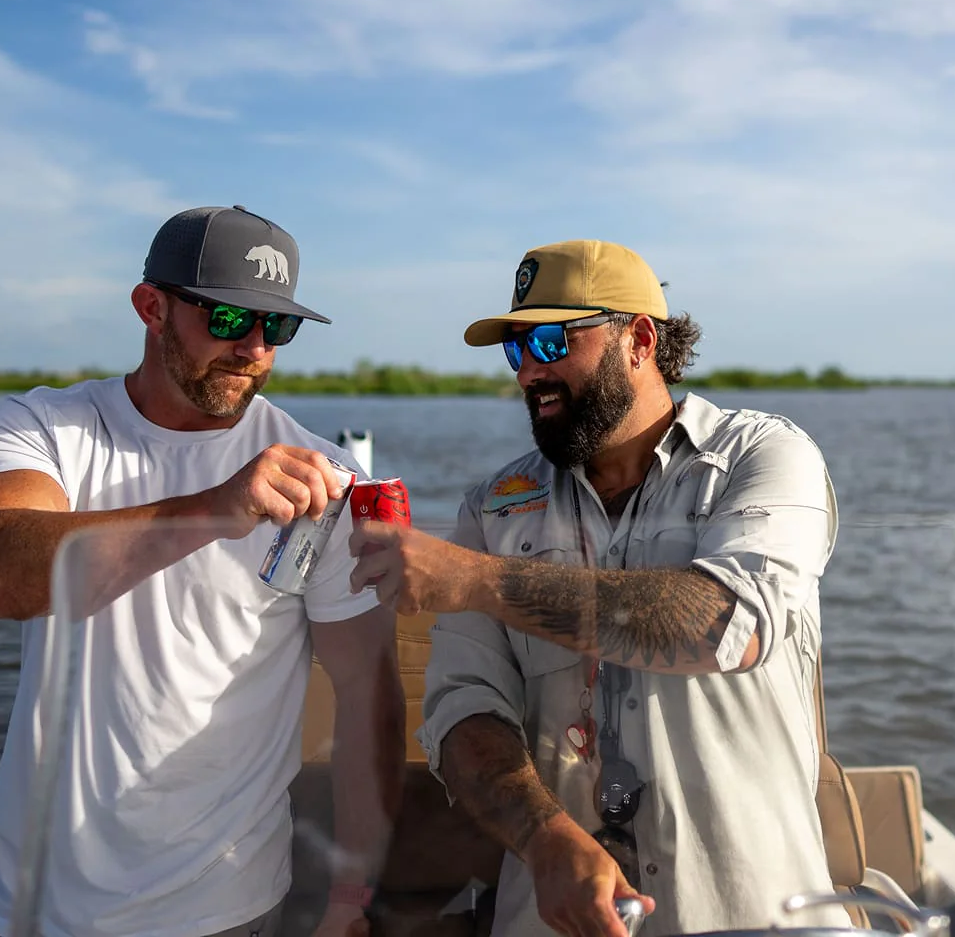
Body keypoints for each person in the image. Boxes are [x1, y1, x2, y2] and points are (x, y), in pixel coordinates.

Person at [350, 239, 844, 937]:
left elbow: (727, 623)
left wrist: (478, 580)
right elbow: (462, 712)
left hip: (756, 916)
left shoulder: (762, 457)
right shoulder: (493, 507)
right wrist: (544, 836)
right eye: (515, 350)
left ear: (639, 339)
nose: (528, 372)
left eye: (551, 341)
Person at [0, 205, 404, 937]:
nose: (254, 347)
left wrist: (351, 894)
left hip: (225, 909)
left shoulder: (327, 479)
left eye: (276, 328)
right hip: (15, 905)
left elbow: (365, 691)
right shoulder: (45, 428)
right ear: (151, 307)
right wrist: (215, 509)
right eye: (228, 318)